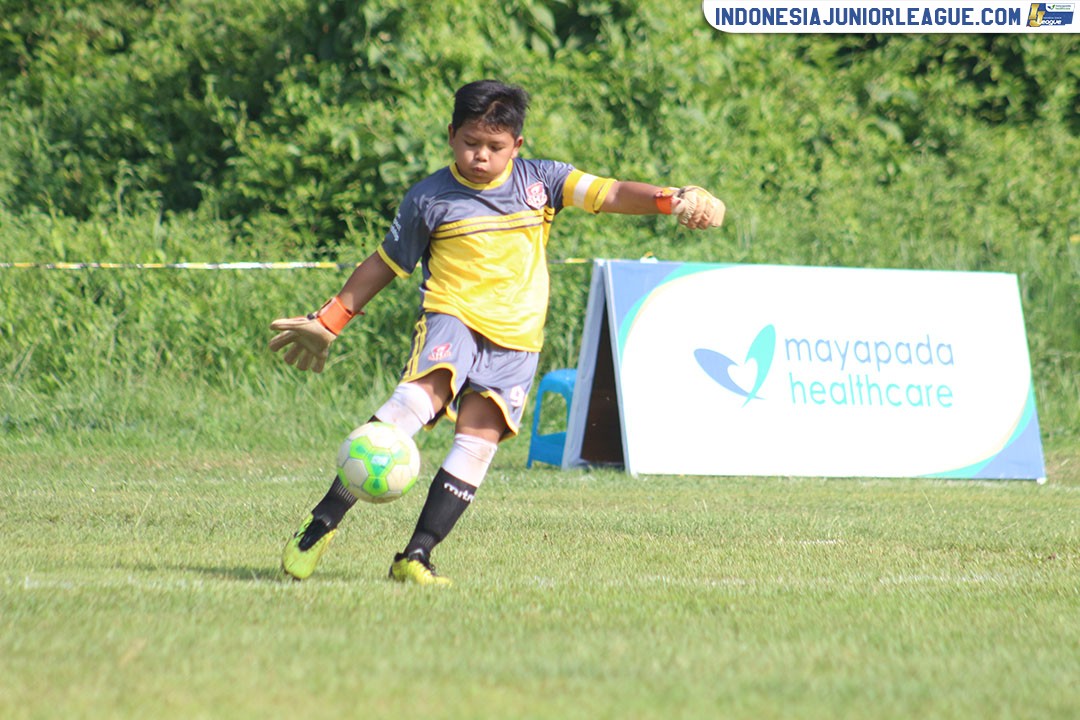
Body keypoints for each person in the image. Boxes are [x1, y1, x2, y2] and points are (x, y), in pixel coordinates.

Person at [270, 79, 725, 586]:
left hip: (517, 339)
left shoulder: (543, 181)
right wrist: (330, 320)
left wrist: (673, 198)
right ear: (450, 135)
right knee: (413, 405)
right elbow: (383, 263)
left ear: (517, 146)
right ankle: (321, 524)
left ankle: (415, 556)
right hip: (453, 317)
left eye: (494, 147)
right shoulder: (428, 198)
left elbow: (612, 192)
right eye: (470, 143)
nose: (480, 156)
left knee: (477, 443)